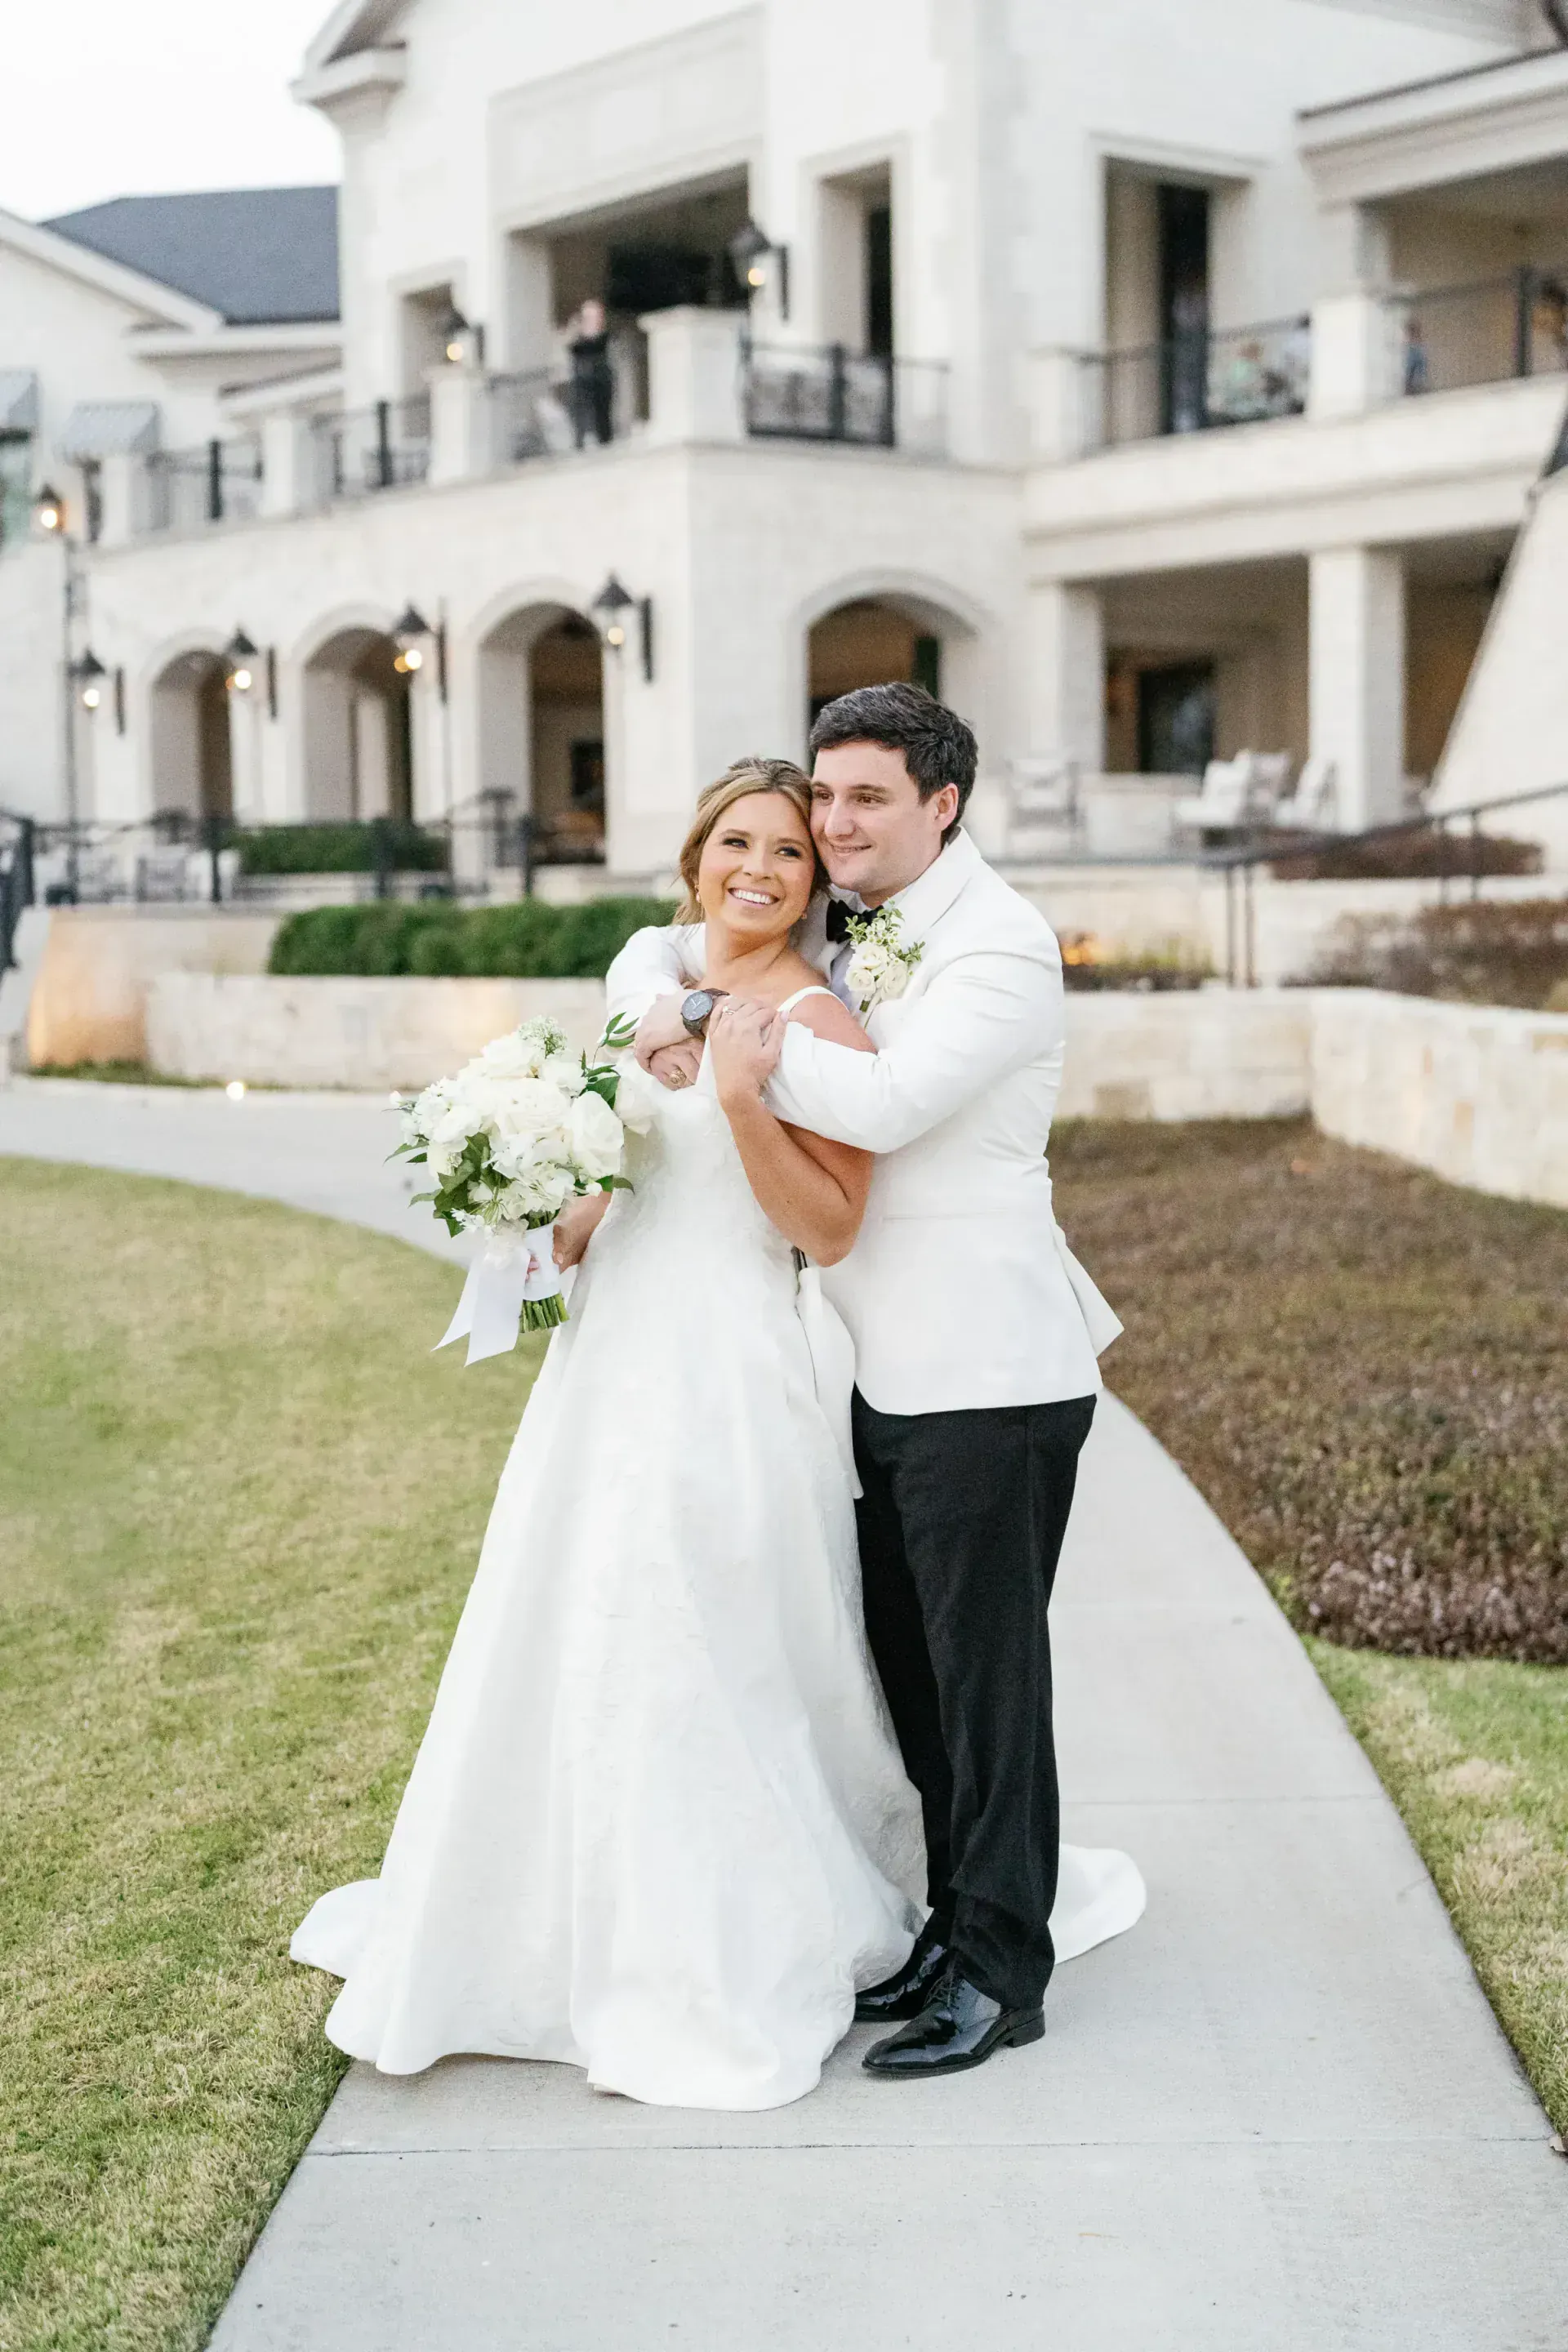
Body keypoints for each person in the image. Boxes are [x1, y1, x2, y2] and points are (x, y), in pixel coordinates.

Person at [292, 751, 1140, 2109]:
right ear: (693, 858)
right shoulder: (649, 974)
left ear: (821, 884)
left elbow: (831, 1221)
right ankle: (562, 1913)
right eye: (739, 842)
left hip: (736, 1363)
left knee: (720, 1639)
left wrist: (739, 1083)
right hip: (609, 1358)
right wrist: (532, 1187)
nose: (763, 867)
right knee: (579, 1621)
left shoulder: (824, 1014)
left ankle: (812, 1938)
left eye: (791, 851)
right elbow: (612, 1173)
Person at [612, 682, 1143, 2081]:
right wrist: (673, 997)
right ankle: (950, 1931)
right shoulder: (862, 922)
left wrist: (717, 1038)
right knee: (915, 1682)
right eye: (827, 795)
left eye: (866, 799)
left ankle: (1003, 1977)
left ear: (942, 805)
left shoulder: (1001, 944)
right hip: (870, 1373)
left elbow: (890, 1107)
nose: (834, 824)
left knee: (989, 1690)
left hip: (987, 1371)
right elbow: (676, 935)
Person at [567, 296, 615, 447]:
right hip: (582, 382)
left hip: (601, 381)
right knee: (582, 415)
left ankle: (603, 441)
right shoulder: (577, 340)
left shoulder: (606, 338)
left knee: (603, 417)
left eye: (597, 316)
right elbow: (571, 348)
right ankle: (582, 441)